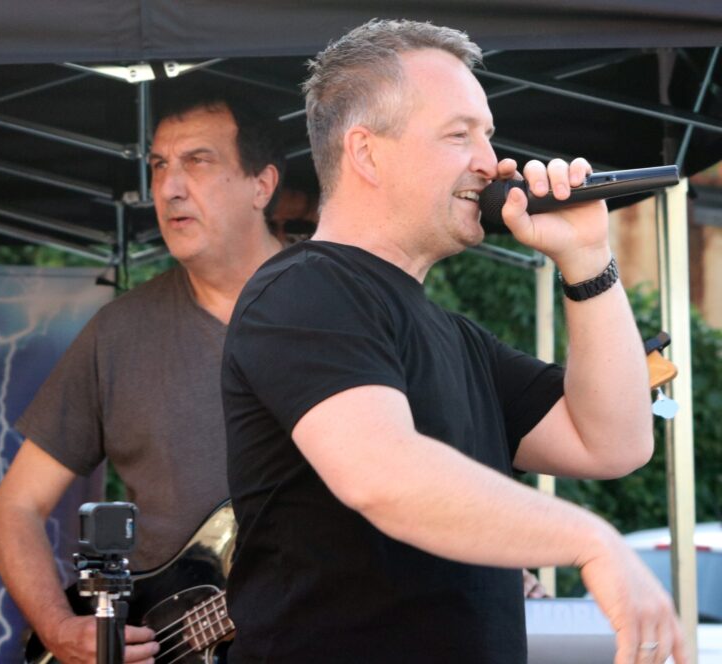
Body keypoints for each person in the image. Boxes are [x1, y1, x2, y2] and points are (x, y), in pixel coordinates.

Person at [221, 19, 686, 664]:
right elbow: (382, 474)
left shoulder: (457, 339)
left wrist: (588, 259)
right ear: (366, 153)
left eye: (487, 135)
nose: (489, 161)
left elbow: (614, 442)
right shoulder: (304, 289)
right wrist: (590, 539)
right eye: (459, 134)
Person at [0, 93, 284, 664]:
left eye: (197, 161)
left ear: (261, 185)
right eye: (159, 165)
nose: (169, 188)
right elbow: (12, 512)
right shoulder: (119, 332)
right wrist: (57, 628)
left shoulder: (342, 309)